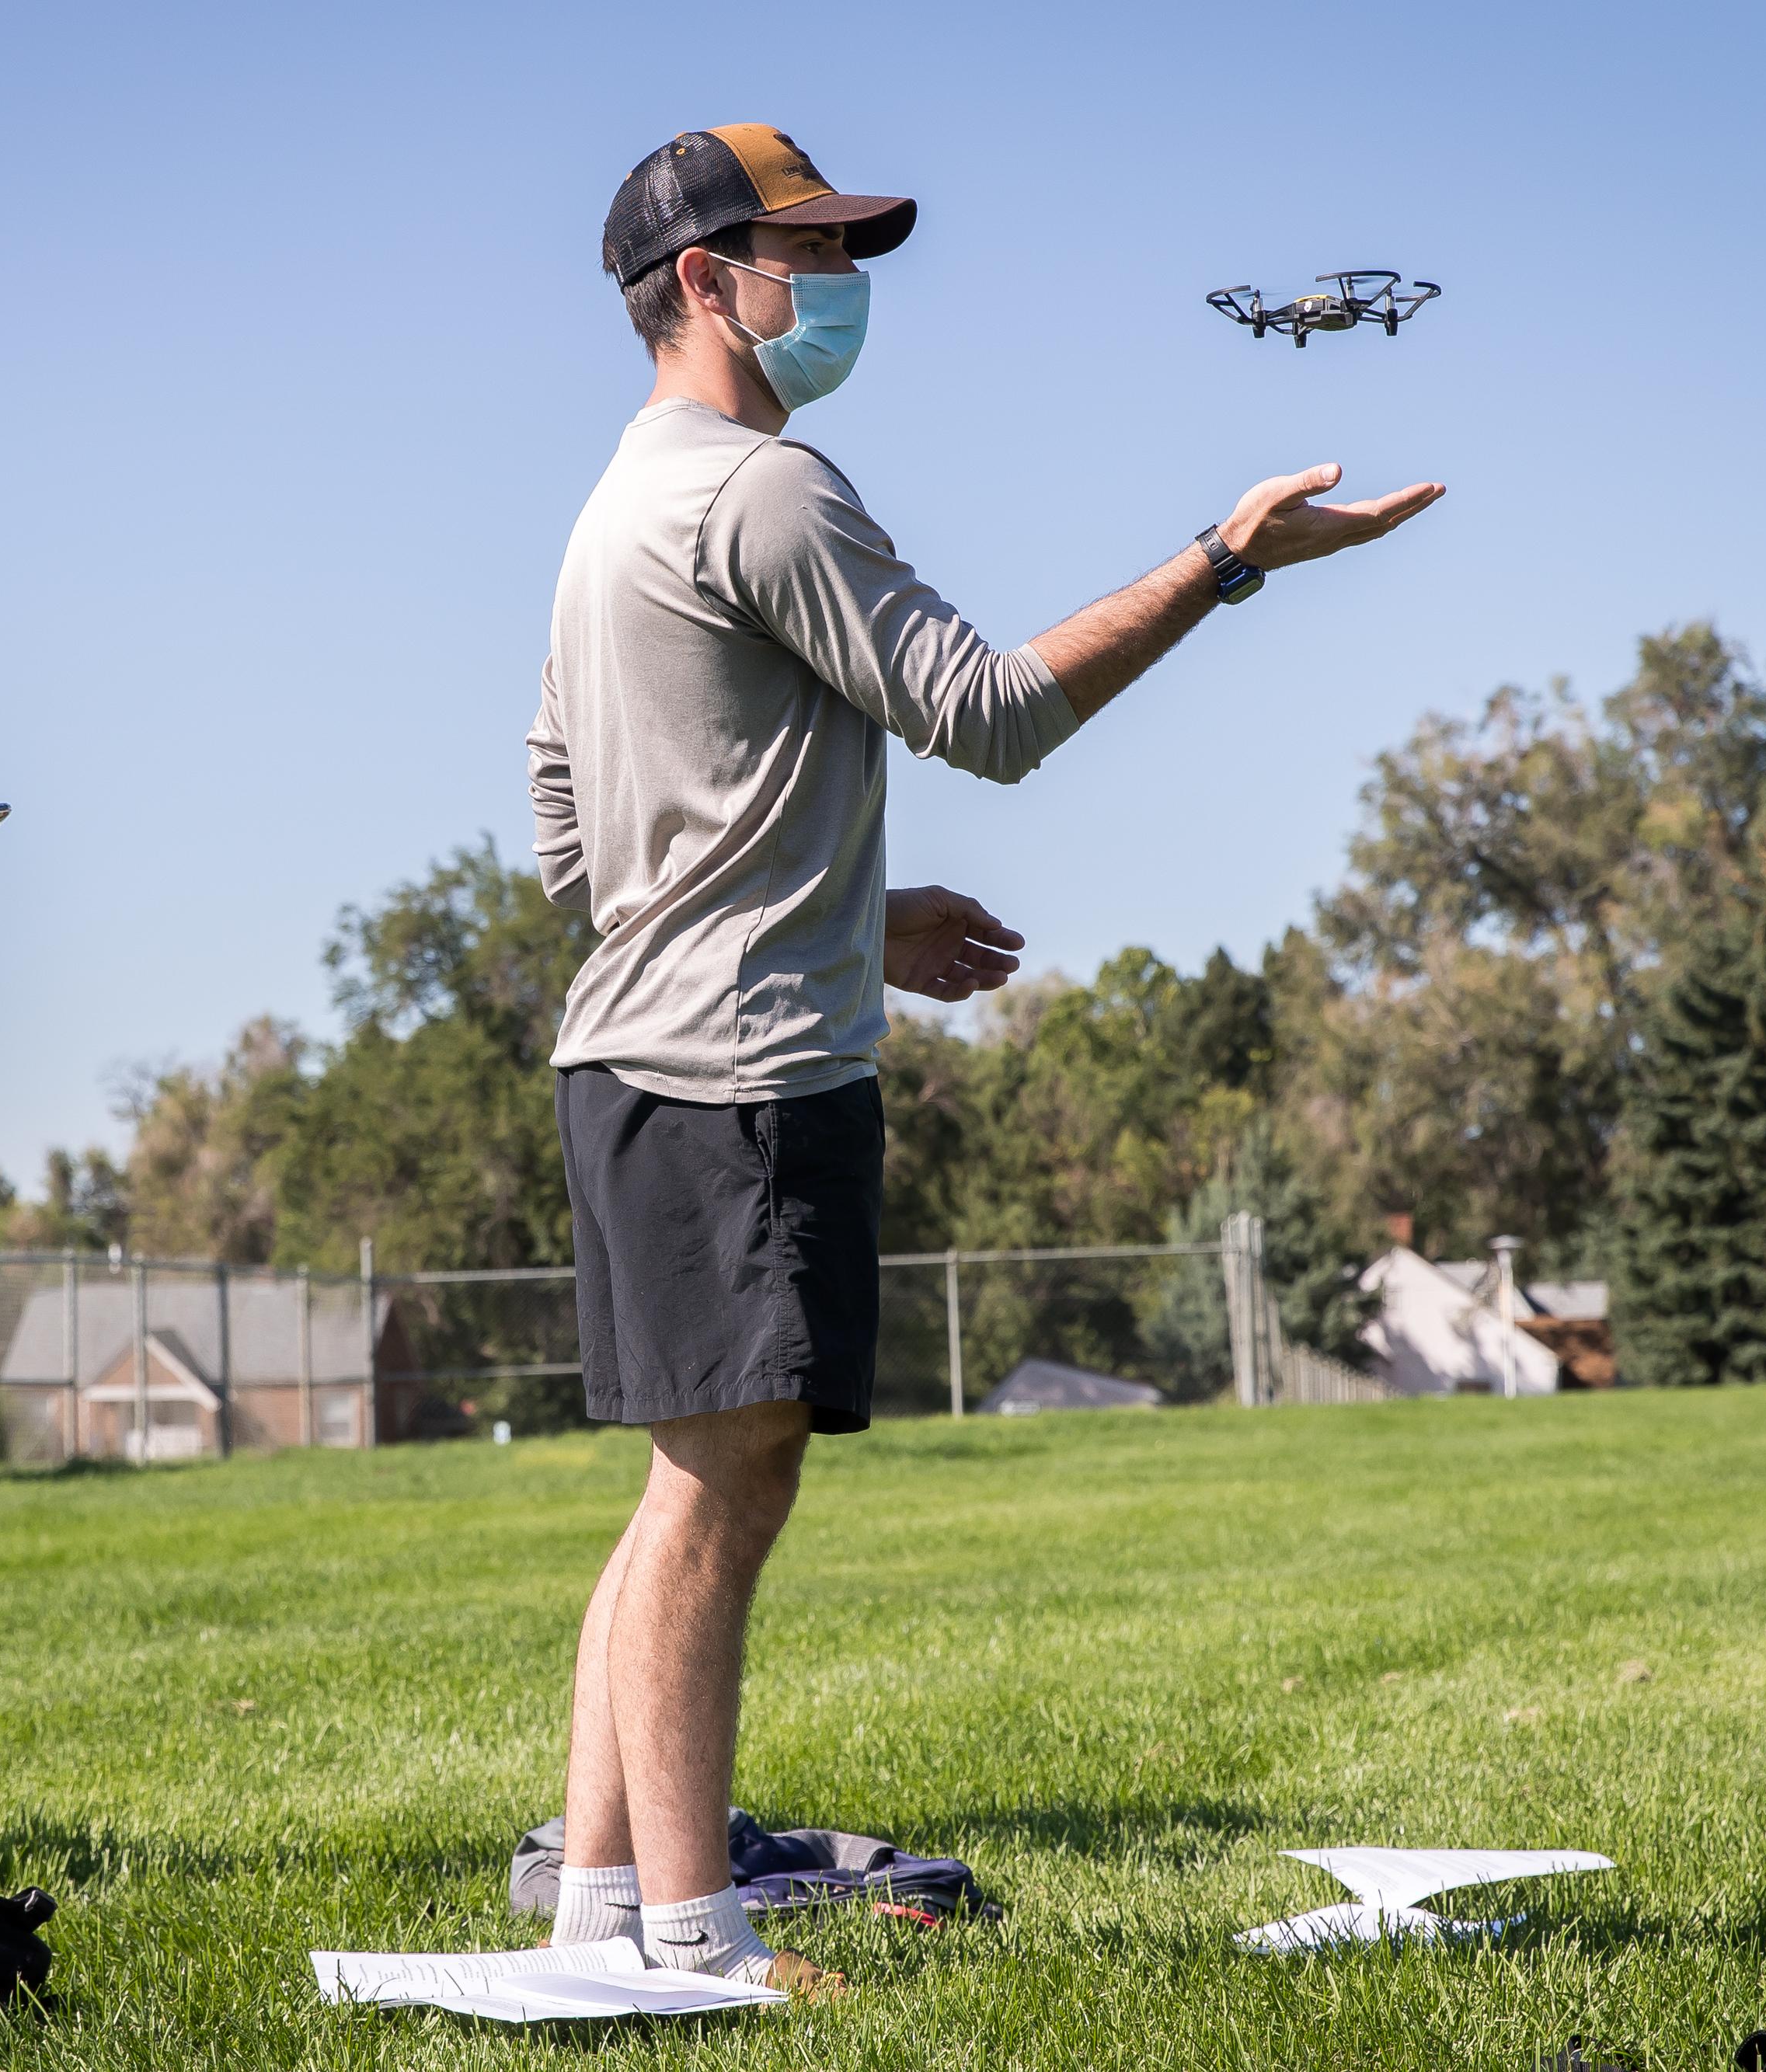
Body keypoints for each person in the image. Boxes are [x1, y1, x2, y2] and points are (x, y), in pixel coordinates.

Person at [527, 126, 1443, 1992]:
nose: (843, 278)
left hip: (631, 1062)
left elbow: (581, 837)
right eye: (813, 248)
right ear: (706, 279)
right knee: (726, 1487)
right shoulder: (760, 491)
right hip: (741, 1077)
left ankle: (599, 1908)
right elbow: (993, 714)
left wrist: (849, 909)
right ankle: (698, 1934)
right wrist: (1225, 560)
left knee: (682, 1480)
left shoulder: (608, 511)